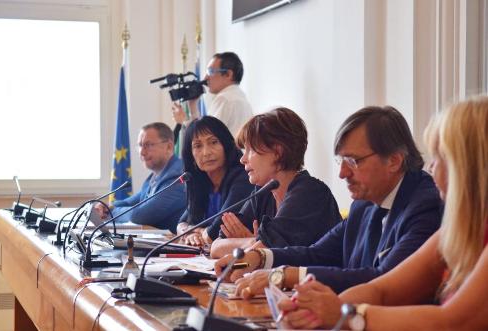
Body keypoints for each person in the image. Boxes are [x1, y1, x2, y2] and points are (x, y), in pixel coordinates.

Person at [276, 97, 488, 330]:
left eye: (441, 156)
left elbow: (453, 322)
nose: (431, 167)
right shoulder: (457, 229)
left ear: (473, 166)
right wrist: (314, 309)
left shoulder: (424, 202)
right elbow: (382, 290)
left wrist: (347, 315)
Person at [215, 105, 443, 296]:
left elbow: (382, 280)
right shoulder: (364, 203)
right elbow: (318, 253)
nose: (342, 173)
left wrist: (282, 275)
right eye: (341, 161)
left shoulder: (424, 206)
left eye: (353, 161)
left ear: (394, 161)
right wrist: (259, 256)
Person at [209, 107, 341, 258]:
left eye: (250, 150)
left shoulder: (310, 193)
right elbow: (216, 246)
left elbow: (264, 252)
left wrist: (253, 243)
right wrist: (253, 241)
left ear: (278, 152)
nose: (242, 159)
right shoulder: (263, 194)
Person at [93, 122, 186, 233]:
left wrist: (109, 213)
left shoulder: (178, 176)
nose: (142, 152)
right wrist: (107, 207)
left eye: (148, 145)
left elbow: (139, 216)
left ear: (169, 146)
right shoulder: (154, 177)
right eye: (140, 146)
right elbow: (129, 202)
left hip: (176, 246)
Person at [177, 116, 254, 246]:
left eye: (213, 142)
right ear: (190, 155)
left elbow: (218, 228)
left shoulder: (243, 177)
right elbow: (182, 222)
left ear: (226, 144)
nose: (206, 152)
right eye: (198, 146)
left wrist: (199, 231)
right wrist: (189, 232)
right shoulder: (201, 183)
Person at [172, 51, 253, 137]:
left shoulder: (225, 99)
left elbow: (203, 138)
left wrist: (182, 120)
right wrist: (193, 105)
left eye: (210, 71)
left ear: (228, 74)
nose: (205, 78)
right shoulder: (239, 97)